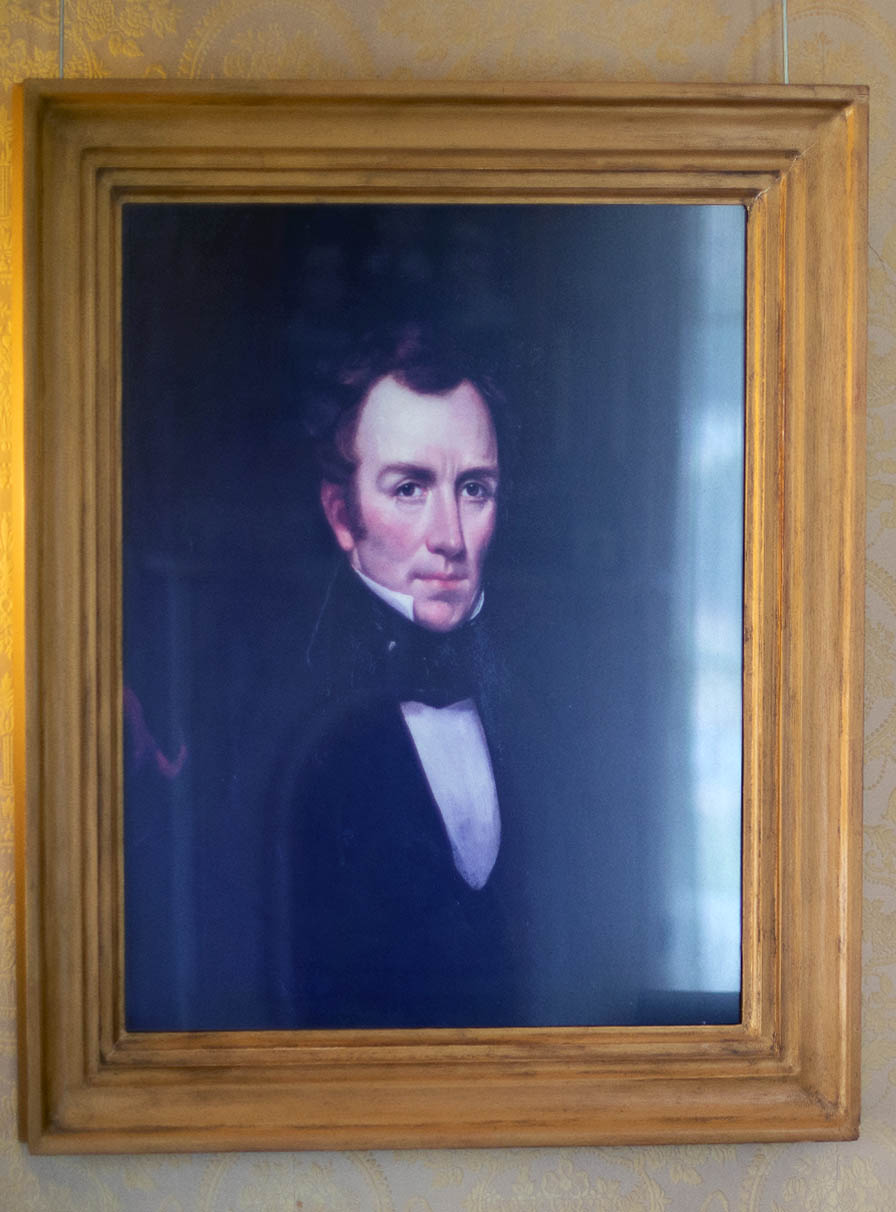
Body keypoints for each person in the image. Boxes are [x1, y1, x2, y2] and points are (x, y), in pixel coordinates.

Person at [267, 326, 542, 1028]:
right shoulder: (293, 725)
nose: (449, 535)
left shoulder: (537, 711)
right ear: (342, 514)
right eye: (410, 488)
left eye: (474, 489)